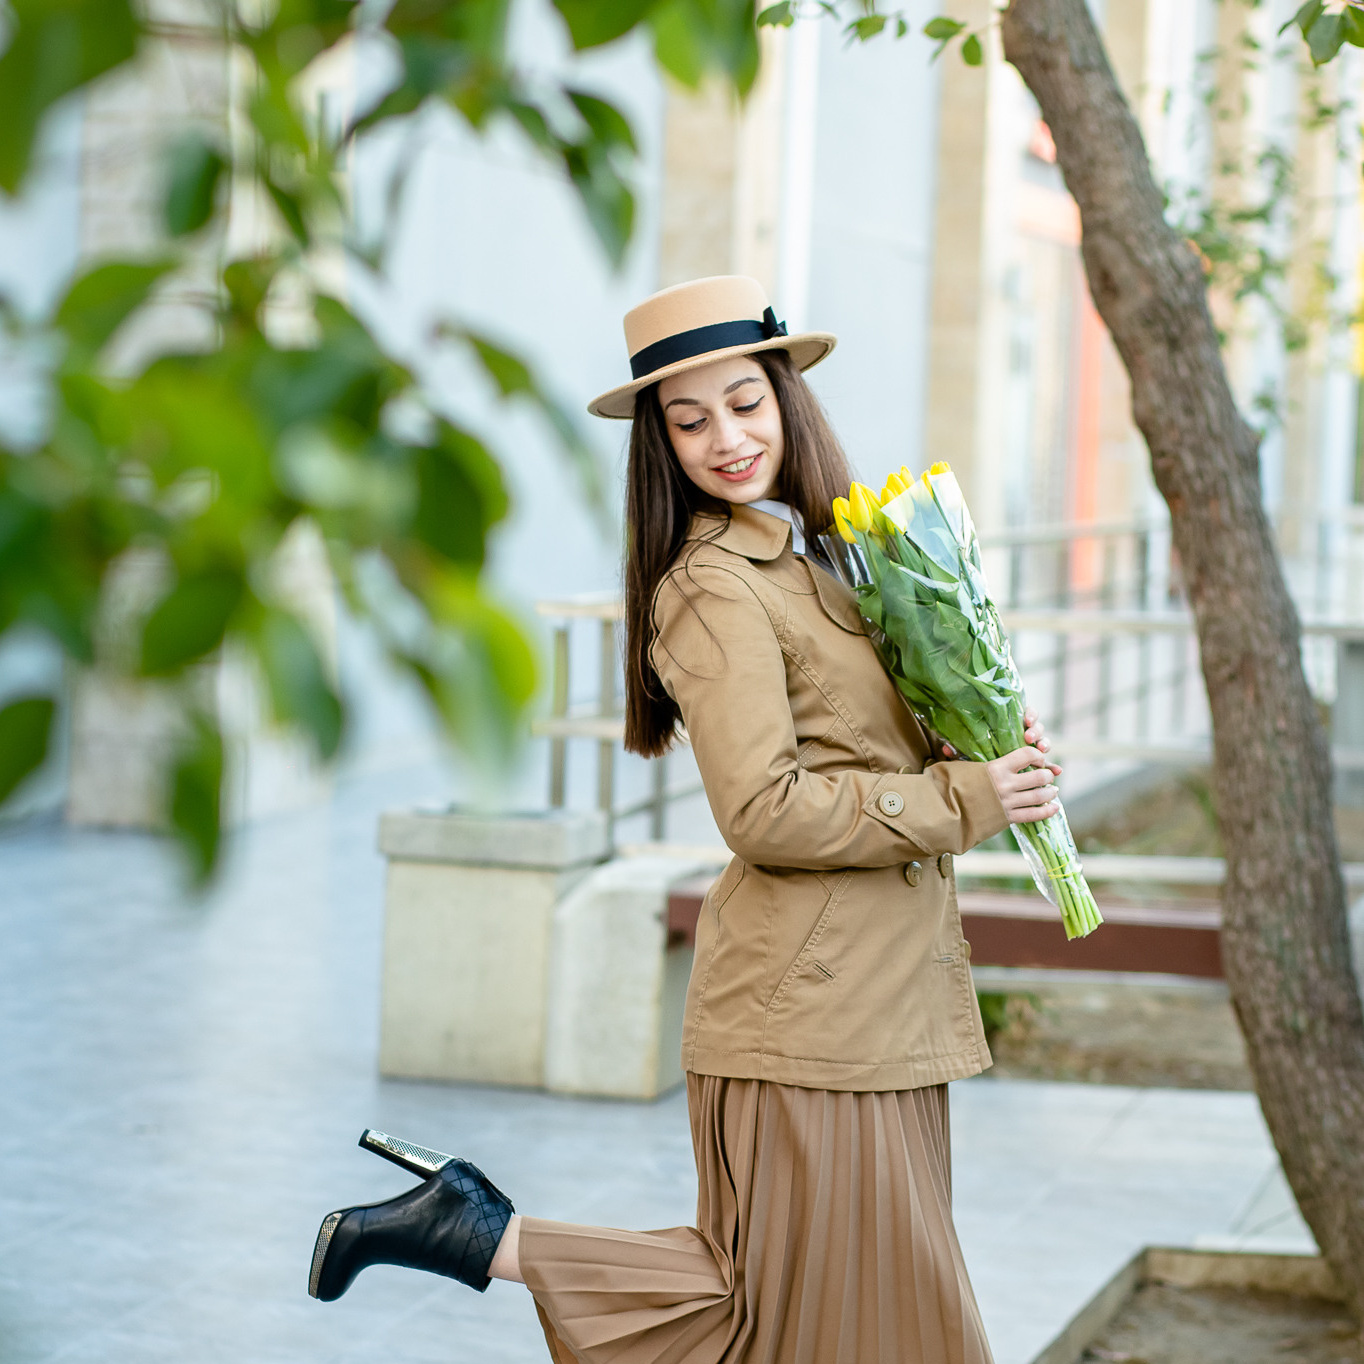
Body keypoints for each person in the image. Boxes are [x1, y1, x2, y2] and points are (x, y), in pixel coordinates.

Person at [307, 275, 1063, 1363]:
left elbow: (854, 757)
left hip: (878, 999)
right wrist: (962, 799)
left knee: (818, 1319)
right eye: (688, 417)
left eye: (743, 402)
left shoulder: (821, 564)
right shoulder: (712, 584)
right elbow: (762, 807)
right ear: (659, 439)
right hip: (808, 1014)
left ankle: (472, 1225)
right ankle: (480, 1232)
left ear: (785, 396)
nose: (724, 437)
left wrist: (975, 753)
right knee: (811, 1319)